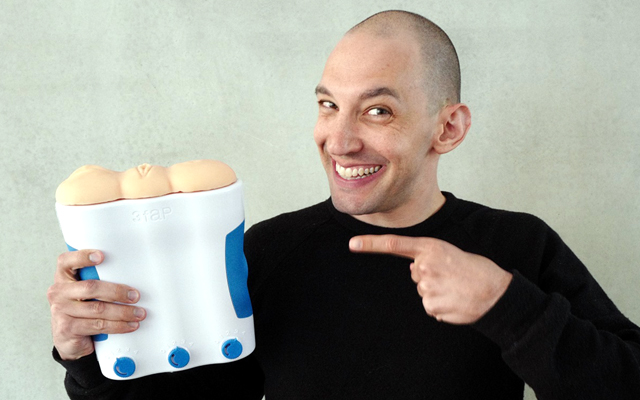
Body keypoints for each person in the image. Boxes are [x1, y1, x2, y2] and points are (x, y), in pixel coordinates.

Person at [48, 10, 640, 399]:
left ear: (448, 128)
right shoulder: (269, 251)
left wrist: (508, 306)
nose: (340, 140)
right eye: (329, 105)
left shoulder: (519, 245)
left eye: (378, 110)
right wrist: (89, 354)